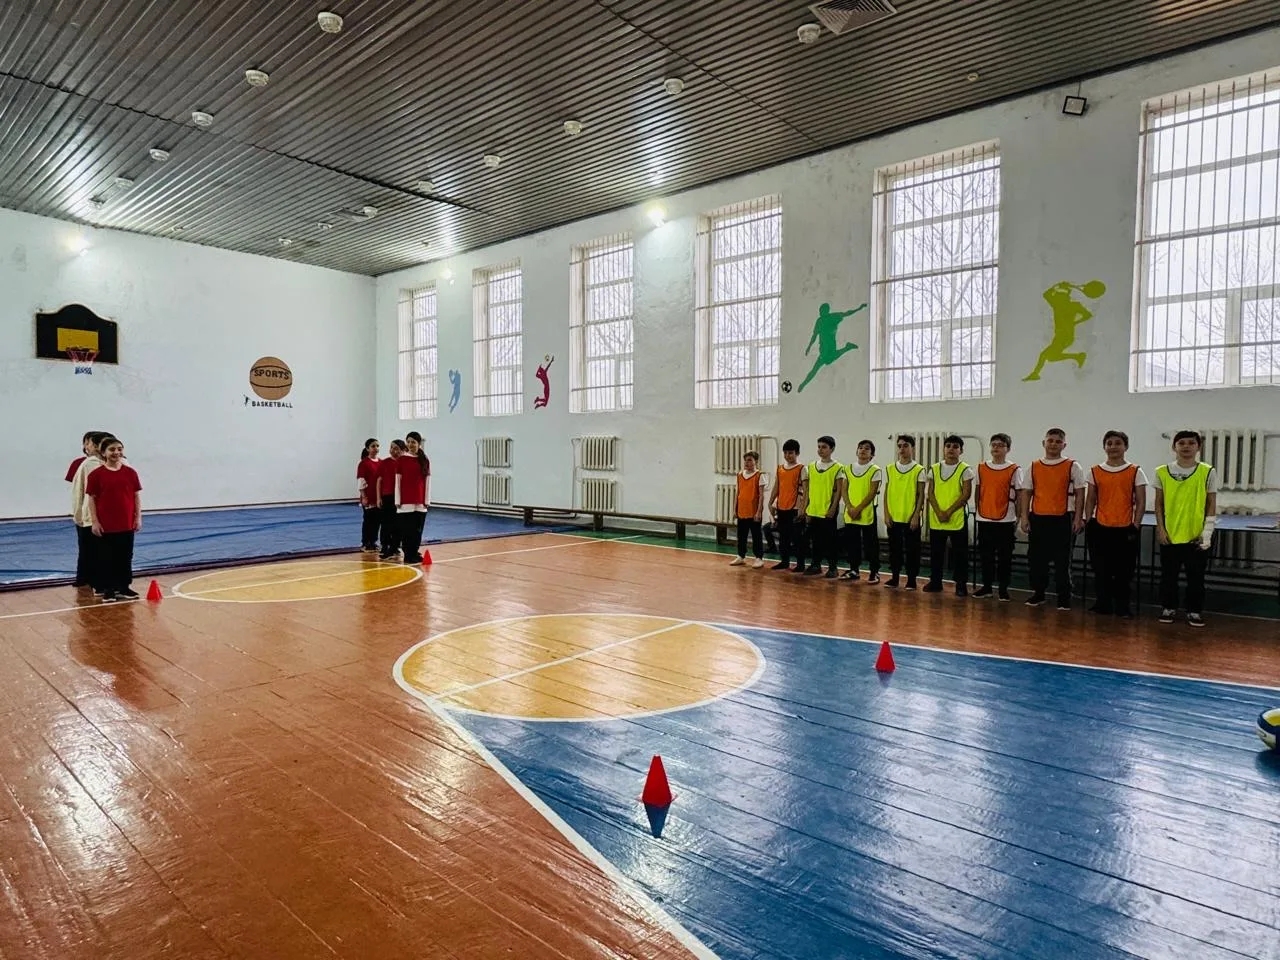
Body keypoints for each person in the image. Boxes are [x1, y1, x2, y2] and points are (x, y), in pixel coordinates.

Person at [1154, 430, 1217, 628]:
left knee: (1196, 577)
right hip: (1170, 534)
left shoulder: (1207, 471)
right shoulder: (1162, 471)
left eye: (1191, 443)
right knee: (1168, 576)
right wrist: (1160, 529)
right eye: (1181, 443)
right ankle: (1168, 608)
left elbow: (1211, 503)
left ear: (1198, 447)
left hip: (1195, 536)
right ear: (1174, 447)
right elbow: (1158, 504)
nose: (1186, 446)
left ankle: (1194, 611)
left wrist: (1206, 533)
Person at [1019, 428, 1085, 609]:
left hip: (1063, 519)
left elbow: (1080, 493)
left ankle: (1064, 596)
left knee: (1062, 560)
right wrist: (1024, 517)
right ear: (1044, 443)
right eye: (1050, 440)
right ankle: (1039, 593)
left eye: (1058, 441)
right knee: (1036, 559)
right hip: (1038, 518)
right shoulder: (1034, 466)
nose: (1054, 444)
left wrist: (1078, 518)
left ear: (1064, 445)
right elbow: (1026, 492)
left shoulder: (1073, 466)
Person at [1083, 431, 1147, 617]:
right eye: (1109, 443)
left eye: (1118, 443)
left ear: (1125, 446)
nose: (1113, 447)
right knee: (1101, 569)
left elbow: (1141, 501)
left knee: (1124, 571)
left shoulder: (1135, 471)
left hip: (1125, 528)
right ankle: (1103, 603)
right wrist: (1089, 520)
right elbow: (1090, 499)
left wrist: (1136, 524)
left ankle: (1122, 606)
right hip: (1100, 527)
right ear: (1104, 447)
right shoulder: (1095, 471)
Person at [84, 436, 142, 602]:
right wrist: (95, 521)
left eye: (119, 449)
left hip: (126, 523)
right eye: (112, 449)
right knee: (106, 557)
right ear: (103, 453)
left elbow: (136, 496)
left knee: (125, 557)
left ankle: (124, 587)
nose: (116, 452)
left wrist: (138, 517)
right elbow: (92, 499)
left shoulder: (130, 473)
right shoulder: (96, 475)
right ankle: (108, 589)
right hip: (106, 524)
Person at [972, 433, 1022, 601]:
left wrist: (1020, 517)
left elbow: (1020, 495)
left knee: (1004, 557)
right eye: (993, 444)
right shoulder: (981, 468)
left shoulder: (1014, 469)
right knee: (985, 556)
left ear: (1008, 449)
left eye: (1000, 445)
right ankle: (986, 587)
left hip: (1006, 519)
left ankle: (1003, 589)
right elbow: (978, 491)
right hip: (984, 518)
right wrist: (978, 510)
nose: (996, 448)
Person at [923, 436, 973, 596]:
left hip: (957, 518)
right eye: (948, 446)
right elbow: (930, 493)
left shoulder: (965, 469)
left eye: (955, 446)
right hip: (937, 518)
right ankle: (936, 582)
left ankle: (961, 584)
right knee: (936, 553)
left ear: (961, 450)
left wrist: (949, 511)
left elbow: (966, 494)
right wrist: (939, 512)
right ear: (944, 449)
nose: (951, 449)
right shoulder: (934, 469)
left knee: (960, 554)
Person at [797, 436, 845, 578]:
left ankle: (833, 567)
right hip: (813, 509)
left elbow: (838, 490)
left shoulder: (838, 467)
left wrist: (833, 508)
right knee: (815, 540)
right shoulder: (811, 466)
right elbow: (807, 490)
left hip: (828, 509)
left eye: (824, 447)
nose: (820, 450)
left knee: (830, 540)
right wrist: (805, 508)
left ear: (832, 449)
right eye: (819, 447)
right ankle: (815, 565)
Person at [882, 435, 926, 590]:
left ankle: (911, 579)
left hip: (910, 517)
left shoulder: (919, 469)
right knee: (894, 549)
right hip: (894, 516)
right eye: (899, 446)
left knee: (912, 550)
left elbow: (921, 495)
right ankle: (894, 577)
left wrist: (916, 515)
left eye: (905, 445)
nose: (902, 449)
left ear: (912, 448)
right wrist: (886, 514)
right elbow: (886, 493)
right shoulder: (890, 468)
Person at [69, 431, 107, 589]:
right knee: (87, 546)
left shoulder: (118, 464)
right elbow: (81, 490)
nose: (86, 446)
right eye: (85, 443)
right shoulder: (86, 463)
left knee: (98, 548)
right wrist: (79, 512)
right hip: (87, 512)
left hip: (100, 512)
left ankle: (97, 579)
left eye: (89, 443)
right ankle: (85, 578)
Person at [841, 440, 882, 582]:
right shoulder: (847, 468)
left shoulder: (875, 470)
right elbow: (844, 490)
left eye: (867, 448)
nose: (863, 450)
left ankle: (874, 571)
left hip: (867, 512)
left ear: (872, 454)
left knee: (871, 543)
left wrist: (858, 509)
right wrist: (850, 507)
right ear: (856, 451)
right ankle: (854, 569)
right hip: (850, 512)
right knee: (852, 542)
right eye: (860, 448)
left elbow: (872, 493)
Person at [768, 439, 804, 571]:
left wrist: (802, 508)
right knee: (783, 537)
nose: (788, 455)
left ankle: (800, 564)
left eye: (791, 453)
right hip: (781, 506)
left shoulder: (802, 469)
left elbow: (806, 490)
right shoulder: (780, 469)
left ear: (797, 453)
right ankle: (784, 561)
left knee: (797, 538)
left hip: (795, 508)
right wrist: (771, 502)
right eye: (785, 453)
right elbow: (776, 486)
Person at [396, 431, 431, 565]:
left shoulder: (424, 460)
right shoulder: (401, 460)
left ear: (419, 444)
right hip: (405, 502)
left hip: (420, 502)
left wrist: (426, 500)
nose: (410, 444)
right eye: (408, 442)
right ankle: (408, 554)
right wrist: (397, 500)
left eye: (413, 442)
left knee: (417, 530)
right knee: (407, 530)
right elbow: (398, 481)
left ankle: (414, 552)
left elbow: (427, 481)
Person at [730, 451, 766, 568]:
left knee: (756, 535)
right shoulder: (740, 475)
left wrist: (759, 511)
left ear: (756, 461)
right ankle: (741, 556)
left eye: (750, 460)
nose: (747, 462)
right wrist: (735, 509)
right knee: (741, 535)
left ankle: (759, 558)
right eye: (745, 460)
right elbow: (738, 493)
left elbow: (761, 496)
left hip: (753, 511)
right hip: (742, 510)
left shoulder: (759, 475)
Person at [377, 439, 405, 560]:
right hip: (387, 496)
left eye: (396, 448)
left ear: (402, 450)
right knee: (386, 523)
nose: (393, 450)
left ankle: (395, 546)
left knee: (398, 523)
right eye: (392, 447)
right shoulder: (384, 463)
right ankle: (385, 545)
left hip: (400, 497)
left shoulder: (404, 463)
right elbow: (379, 480)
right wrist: (378, 497)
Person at [357, 438, 381, 552]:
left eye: (377, 446)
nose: (376, 448)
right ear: (367, 448)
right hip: (368, 496)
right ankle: (365, 543)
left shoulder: (381, 462)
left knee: (377, 521)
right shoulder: (364, 463)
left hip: (378, 497)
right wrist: (364, 496)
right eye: (373, 446)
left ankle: (373, 542)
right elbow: (361, 480)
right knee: (368, 520)